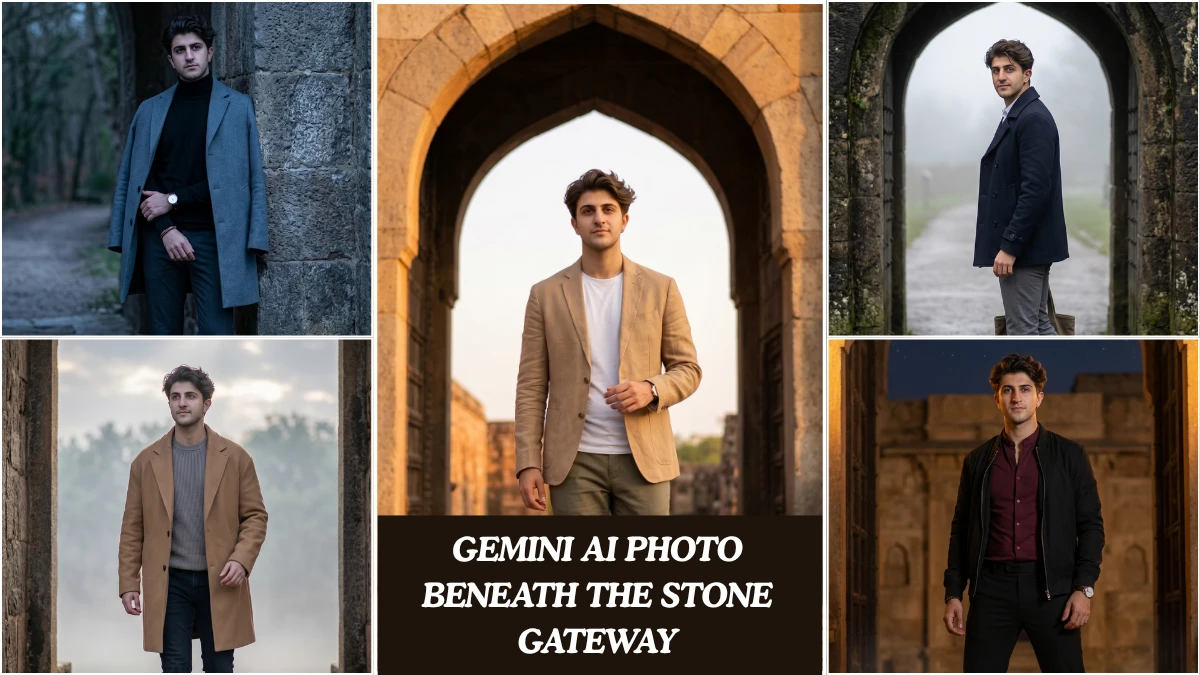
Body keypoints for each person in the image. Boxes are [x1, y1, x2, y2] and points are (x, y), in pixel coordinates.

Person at [513, 169, 702, 515]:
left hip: (644, 459)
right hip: (574, 463)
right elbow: (531, 385)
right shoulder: (545, 295)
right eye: (588, 211)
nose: (599, 219)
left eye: (608, 209)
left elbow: (688, 369)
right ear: (574, 224)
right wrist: (528, 462)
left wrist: (651, 389)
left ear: (624, 220)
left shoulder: (662, 288)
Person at [108, 15, 269, 335]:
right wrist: (166, 229)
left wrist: (173, 199)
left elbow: (241, 178)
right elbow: (138, 179)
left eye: (196, 47)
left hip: (216, 239)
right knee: (162, 334)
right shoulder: (150, 110)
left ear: (210, 52)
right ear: (171, 59)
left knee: (218, 334)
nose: (189, 56)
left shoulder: (238, 107)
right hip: (160, 237)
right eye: (180, 50)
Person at [943, 354, 1103, 672]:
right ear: (997, 399)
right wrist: (953, 592)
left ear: (1039, 397)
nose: (1017, 397)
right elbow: (961, 529)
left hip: (1051, 590)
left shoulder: (1070, 456)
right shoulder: (977, 461)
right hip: (991, 591)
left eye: (1025, 389)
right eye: (1008, 390)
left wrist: (1084, 588)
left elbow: (1091, 526)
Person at [118, 365, 268, 672]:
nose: (182, 403)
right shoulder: (145, 462)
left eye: (190, 396)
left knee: (219, 666)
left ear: (207, 403)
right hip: (169, 581)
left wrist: (241, 560)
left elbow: (255, 516)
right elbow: (133, 528)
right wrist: (128, 582)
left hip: (221, 579)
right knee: (174, 666)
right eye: (175, 397)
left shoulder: (237, 458)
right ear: (169, 403)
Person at [973, 39, 1069, 336]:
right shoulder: (1020, 115)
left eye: (1009, 69)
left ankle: (1046, 382)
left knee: (1023, 330)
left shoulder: (1033, 119)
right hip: (1030, 247)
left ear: (1027, 74)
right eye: (995, 70)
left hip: (1025, 250)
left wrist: (1010, 246)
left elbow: (1036, 189)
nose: (1000, 76)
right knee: (1038, 325)